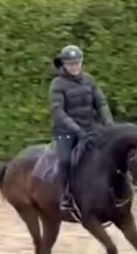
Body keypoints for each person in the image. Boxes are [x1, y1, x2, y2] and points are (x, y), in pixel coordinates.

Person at [49, 44, 115, 211]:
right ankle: (64, 195)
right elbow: (58, 112)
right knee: (65, 161)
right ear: (64, 65)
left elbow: (101, 103)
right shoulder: (57, 84)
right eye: (71, 64)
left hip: (89, 128)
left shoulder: (89, 80)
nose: (75, 67)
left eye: (77, 63)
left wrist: (109, 124)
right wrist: (77, 130)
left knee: (111, 153)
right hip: (65, 132)